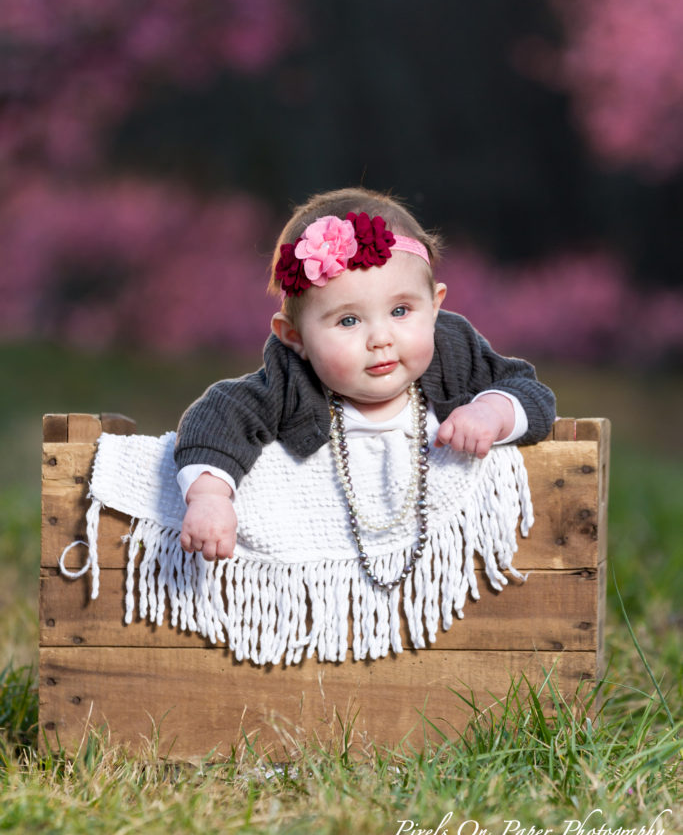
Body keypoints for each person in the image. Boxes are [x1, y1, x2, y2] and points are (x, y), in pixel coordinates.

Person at [175, 187, 555, 566]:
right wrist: (210, 496)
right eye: (349, 320)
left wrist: (491, 412)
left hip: (447, 560)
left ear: (436, 305)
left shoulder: (453, 352)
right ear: (296, 337)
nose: (381, 339)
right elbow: (219, 416)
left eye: (401, 311)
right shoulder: (291, 378)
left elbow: (530, 392)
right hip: (322, 566)